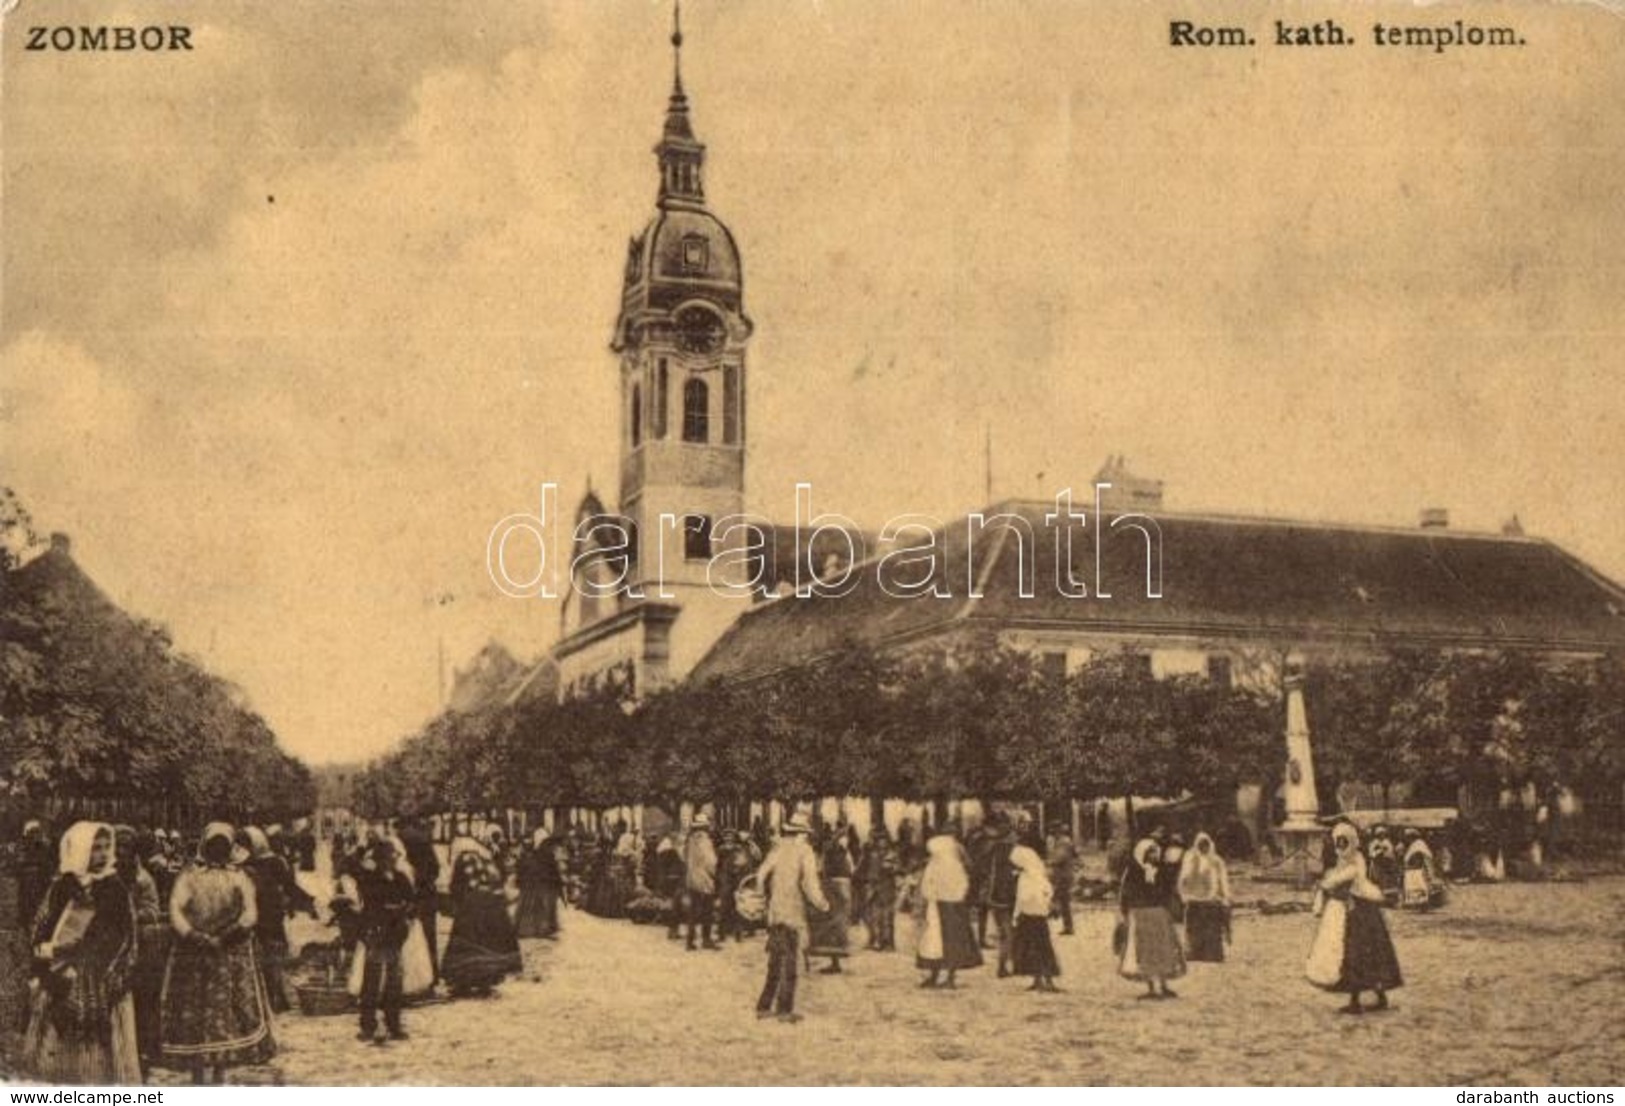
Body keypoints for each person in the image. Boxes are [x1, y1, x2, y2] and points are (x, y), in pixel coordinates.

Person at [21, 821, 141, 1084]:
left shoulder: (114, 887)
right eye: (94, 848)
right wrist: (47, 950)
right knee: (59, 1043)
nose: (102, 854)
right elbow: (43, 923)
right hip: (61, 970)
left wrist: (88, 955)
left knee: (99, 1051)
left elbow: (123, 932)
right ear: (79, 850)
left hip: (99, 972)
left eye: (105, 847)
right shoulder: (62, 886)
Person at [159, 823, 276, 1083]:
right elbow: (175, 909)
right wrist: (193, 935)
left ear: (231, 847)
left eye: (224, 846)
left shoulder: (239, 876)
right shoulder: (190, 876)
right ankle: (198, 1072)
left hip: (229, 955)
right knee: (196, 1013)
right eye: (214, 845)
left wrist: (227, 935)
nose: (218, 851)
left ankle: (220, 1073)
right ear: (205, 846)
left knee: (225, 1013)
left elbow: (250, 912)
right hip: (194, 955)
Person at [1306, 822, 1403, 1014]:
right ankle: (1371, 997)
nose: (1341, 847)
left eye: (1344, 843)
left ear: (1352, 842)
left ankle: (1360, 1000)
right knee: (1363, 957)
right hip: (1357, 913)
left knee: (1358, 956)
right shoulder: (1345, 862)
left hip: (1359, 914)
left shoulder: (1356, 861)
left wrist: (1327, 884)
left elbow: (1346, 880)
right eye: (1338, 843)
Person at [754, 813, 828, 1023]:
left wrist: (761, 896)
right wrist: (823, 904)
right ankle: (784, 1010)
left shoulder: (777, 849)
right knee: (790, 962)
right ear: (800, 834)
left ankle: (763, 1006)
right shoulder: (805, 852)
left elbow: (760, 874)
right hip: (793, 912)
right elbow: (810, 885)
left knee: (775, 960)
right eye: (804, 834)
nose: (805, 837)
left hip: (775, 913)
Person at [441, 835, 522, 997]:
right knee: (488, 943)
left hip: (471, 909)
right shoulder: (486, 860)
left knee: (467, 944)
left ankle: (464, 981)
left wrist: (456, 902)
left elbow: (456, 886)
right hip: (493, 908)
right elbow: (499, 879)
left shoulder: (463, 859)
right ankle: (485, 979)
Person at [113, 824, 165, 1071]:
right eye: (117, 847)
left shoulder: (143, 879)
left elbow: (153, 910)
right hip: (115, 946)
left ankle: (147, 1049)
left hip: (142, 948)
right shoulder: (109, 875)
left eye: (126, 847)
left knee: (144, 998)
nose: (121, 852)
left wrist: (129, 914)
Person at [354, 837, 416, 1043]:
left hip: (396, 935)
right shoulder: (370, 878)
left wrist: (404, 911)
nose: (392, 860)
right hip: (377, 933)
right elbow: (371, 904)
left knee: (394, 982)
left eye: (393, 857)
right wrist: (394, 908)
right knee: (372, 981)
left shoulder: (400, 877)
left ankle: (393, 1023)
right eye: (388, 857)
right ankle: (368, 1024)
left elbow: (411, 900)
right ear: (380, 859)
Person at [1117, 838, 1186, 999]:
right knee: (1146, 951)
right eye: (1150, 853)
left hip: (1159, 914)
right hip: (1141, 914)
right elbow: (1125, 893)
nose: (1154, 856)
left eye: (1155, 852)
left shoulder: (1162, 870)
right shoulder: (1134, 871)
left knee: (1164, 950)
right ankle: (1151, 988)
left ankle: (1163, 984)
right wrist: (1126, 911)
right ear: (1142, 854)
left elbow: (1169, 889)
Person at [916, 829, 983, 989]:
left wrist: (931, 897)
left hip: (942, 907)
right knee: (948, 942)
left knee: (938, 942)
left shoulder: (936, 865)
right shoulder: (954, 865)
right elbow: (963, 886)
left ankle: (939, 976)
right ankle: (945, 976)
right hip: (952, 907)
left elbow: (926, 886)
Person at [1010, 844, 1061, 993]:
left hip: (1034, 916)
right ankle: (1038, 979)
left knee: (1041, 948)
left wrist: (1018, 913)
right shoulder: (1029, 874)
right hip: (1031, 915)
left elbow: (1029, 896)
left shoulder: (1032, 876)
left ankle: (1047, 980)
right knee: (1033, 948)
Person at [1177, 831, 1232, 963]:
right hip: (1194, 899)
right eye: (1201, 845)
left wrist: (1225, 896)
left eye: (1206, 845)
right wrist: (1184, 894)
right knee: (1194, 928)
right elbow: (1183, 880)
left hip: (1211, 899)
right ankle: (1194, 952)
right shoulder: (1190, 859)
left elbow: (1223, 879)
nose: (1203, 848)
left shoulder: (1216, 861)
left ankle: (1212, 953)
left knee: (1212, 928)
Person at [398, 819, 442, 982]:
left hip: (411, 896)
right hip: (427, 896)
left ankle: (411, 976)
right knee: (429, 937)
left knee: (408, 937)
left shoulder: (401, 841)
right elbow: (436, 869)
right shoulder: (424, 843)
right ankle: (432, 973)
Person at [807, 824, 853, 973]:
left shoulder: (833, 853)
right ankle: (835, 960)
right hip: (838, 886)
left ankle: (835, 961)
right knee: (835, 924)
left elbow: (822, 870)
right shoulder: (840, 853)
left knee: (833, 924)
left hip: (835, 886)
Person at [980, 814, 1017, 978]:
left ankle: (1005, 964)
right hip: (1009, 894)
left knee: (1004, 931)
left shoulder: (991, 847)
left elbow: (982, 869)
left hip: (995, 894)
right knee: (1009, 931)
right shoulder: (1013, 848)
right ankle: (1006, 965)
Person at [515, 828, 564, 940]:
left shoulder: (543, 854)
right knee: (538, 905)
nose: (548, 846)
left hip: (544, 884)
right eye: (546, 843)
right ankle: (537, 928)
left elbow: (552, 869)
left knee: (543, 905)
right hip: (539, 884)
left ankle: (542, 928)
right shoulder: (537, 855)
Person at [857, 825, 899, 951]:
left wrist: (890, 867)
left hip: (886, 887)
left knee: (886, 916)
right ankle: (875, 939)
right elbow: (863, 868)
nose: (880, 841)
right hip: (872, 886)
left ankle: (888, 943)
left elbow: (897, 868)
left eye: (882, 839)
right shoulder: (870, 853)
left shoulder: (891, 853)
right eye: (877, 839)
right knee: (870, 915)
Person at [683, 815, 720, 951]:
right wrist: (715, 874)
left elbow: (685, 858)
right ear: (705, 827)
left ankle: (690, 940)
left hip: (692, 879)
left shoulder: (691, 841)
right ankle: (706, 939)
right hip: (705, 880)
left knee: (693, 912)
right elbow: (711, 862)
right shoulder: (705, 841)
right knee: (707, 911)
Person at [1402, 829, 1445, 911]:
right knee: (1414, 886)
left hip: (1418, 868)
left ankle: (1423, 905)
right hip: (1412, 869)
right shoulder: (1413, 845)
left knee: (1420, 885)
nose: (1407, 838)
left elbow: (1426, 855)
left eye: (1409, 837)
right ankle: (1418, 905)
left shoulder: (1419, 844)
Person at [1047, 825, 1078, 936]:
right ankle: (1067, 925)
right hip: (1063, 874)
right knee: (1062, 900)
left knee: (1062, 900)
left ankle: (1067, 925)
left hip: (1063, 876)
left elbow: (1060, 858)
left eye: (1053, 832)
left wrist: (1049, 862)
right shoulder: (1065, 841)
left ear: (1057, 832)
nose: (1053, 835)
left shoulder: (1063, 842)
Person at [1367, 827, 1403, 907]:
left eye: (1383, 834)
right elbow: (1371, 854)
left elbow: (1391, 853)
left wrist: (1386, 853)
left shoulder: (1387, 842)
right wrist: (1379, 851)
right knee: (1377, 881)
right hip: (1377, 865)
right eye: (1380, 834)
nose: (1382, 836)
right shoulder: (1374, 843)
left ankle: (1389, 901)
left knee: (1388, 883)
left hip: (1386, 865)